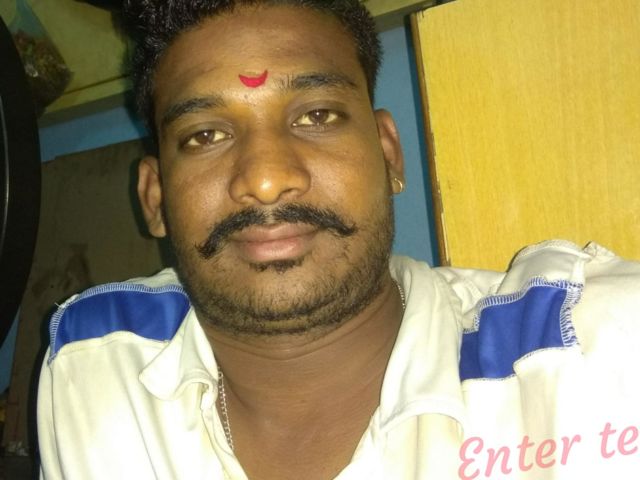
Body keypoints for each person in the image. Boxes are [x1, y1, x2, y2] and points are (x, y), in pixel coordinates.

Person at [37, 1, 640, 479]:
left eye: (316, 116)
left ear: (388, 155)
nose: (265, 179)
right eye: (205, 135)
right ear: (155, 199)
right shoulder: (95, 362)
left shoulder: (596, 351)